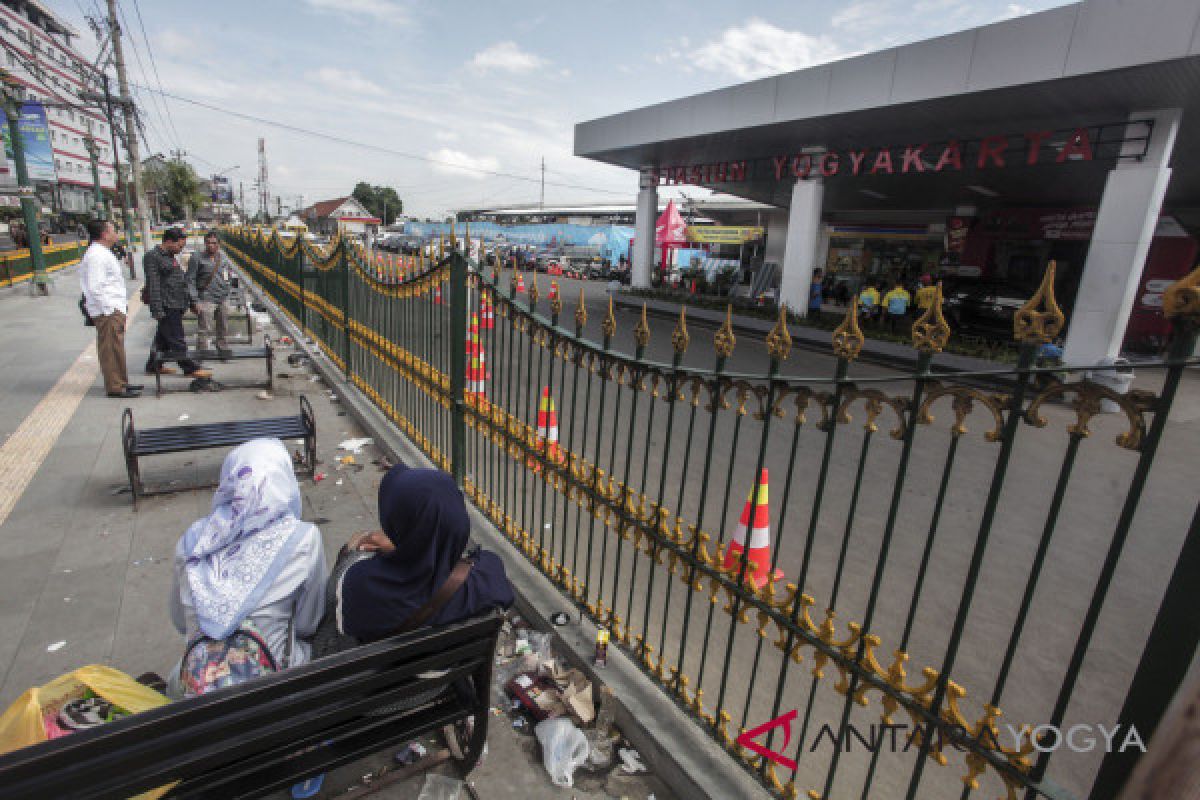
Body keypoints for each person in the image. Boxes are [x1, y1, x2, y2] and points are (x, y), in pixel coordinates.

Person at [168, 438, 327, 698]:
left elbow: (179, 621)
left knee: (177, 676)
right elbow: (308, 623)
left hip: (200, 692)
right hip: (273, 687)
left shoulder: (193, 540)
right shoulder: (304, 538)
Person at [330, 464, 514, 645]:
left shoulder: (361, 585)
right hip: (454, 670)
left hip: (389, 673)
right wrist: (418, 547)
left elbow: (339, 609)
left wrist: (352, 548)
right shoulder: (487, 577)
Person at [79, 219, 142, 398]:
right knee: (110, 348)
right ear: (104, 234)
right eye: (113, 230)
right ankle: (115, 387)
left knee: (116, 347)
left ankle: (122, 382)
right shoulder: (96, 255)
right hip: (107, 311)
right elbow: (94, 287)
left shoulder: (102, 252)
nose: (116, 234)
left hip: (113, 308)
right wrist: (109, 310)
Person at [144, 227, 212, 378]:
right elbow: (153, 285)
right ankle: (189, 368)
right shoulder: (153, 257)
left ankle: (153, 365)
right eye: (179, 246)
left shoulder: (169, 255)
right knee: (176, 338)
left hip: (177, 303)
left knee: (162, 338)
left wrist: (190, 302)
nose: (180, 250)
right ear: (168, 241)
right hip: (167, 305)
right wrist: (157, 310)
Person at [187, 232, 236, 355]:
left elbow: (228, 275)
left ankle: (223, 348)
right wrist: (194, 300)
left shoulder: (223, 258)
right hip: (206, 297)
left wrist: (227, 290)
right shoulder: (197, 257)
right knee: (204, 328)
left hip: (222, 297)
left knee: (223, 326)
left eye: (214, 243)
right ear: (205, 243)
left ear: (218, 244)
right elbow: (190, 279)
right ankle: (202, 352)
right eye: (208, 242)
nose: (211, 245)